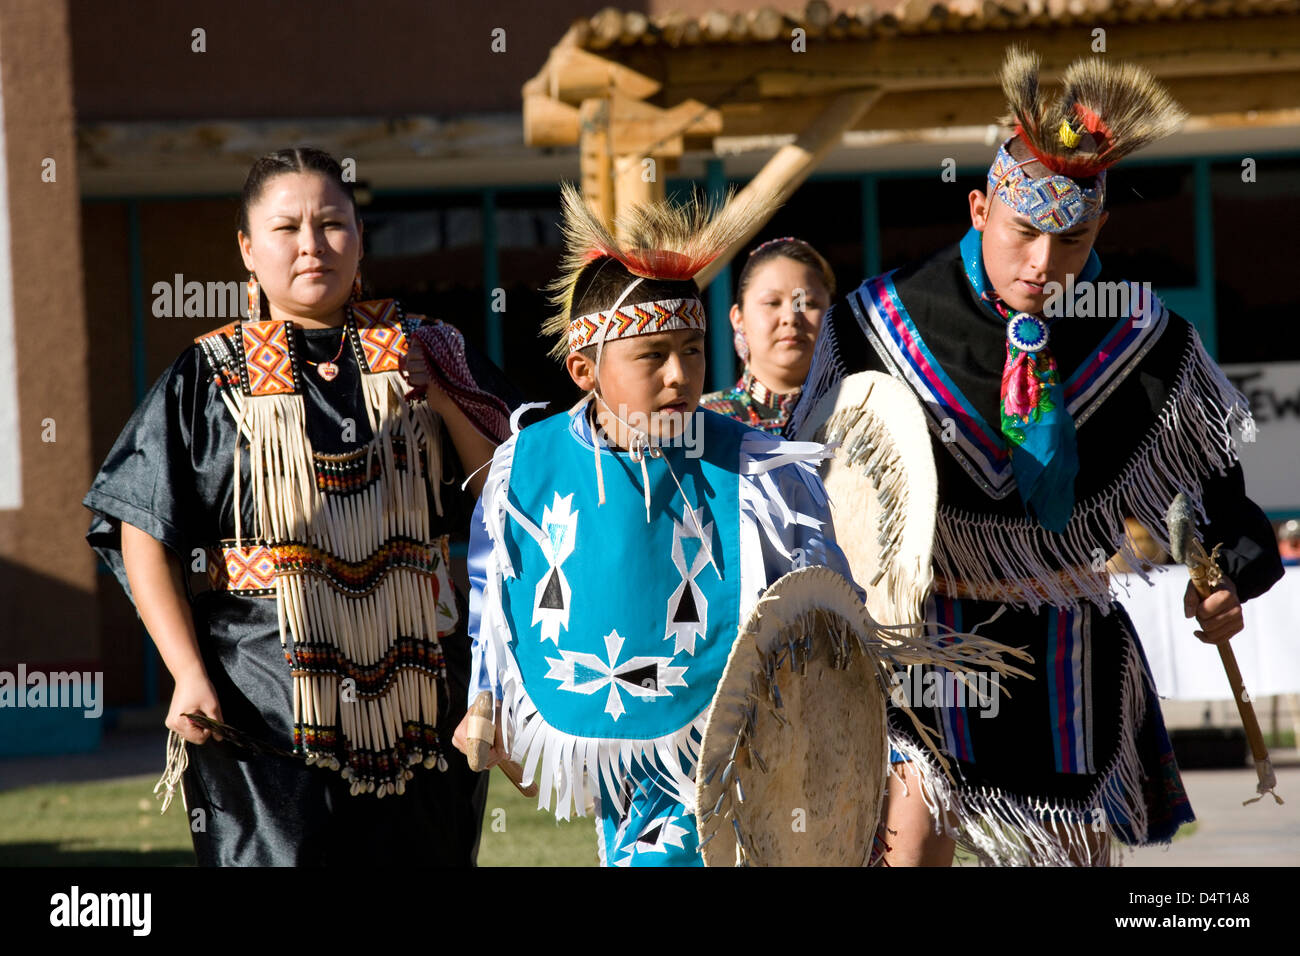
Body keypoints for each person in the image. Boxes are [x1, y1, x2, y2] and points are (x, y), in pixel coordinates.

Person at [788, 49, 1284, 866]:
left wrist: (1230, 577)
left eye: (1072, 240)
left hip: (1066, 649)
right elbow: (812, 491)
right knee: (907, 851)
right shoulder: (875, 324)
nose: (1043, 267)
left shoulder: (1145, 341)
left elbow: (1227, 514)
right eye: (1023, 234)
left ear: (1101, 230)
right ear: (981, 207)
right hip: (922, 635)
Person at [84, 147, 514, 866]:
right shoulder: (208, 374)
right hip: (262, 703)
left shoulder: (430, 348)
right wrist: (187, 673)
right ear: (248, 251)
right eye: (287, 229)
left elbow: (505, 493)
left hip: (418, 698)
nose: (313, 244)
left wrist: (438, 393)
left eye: (333, 224)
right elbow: (140, 527)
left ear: (361, 239)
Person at [451, 185, 859, 866]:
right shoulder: (530, 467)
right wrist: (486, 700)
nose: (680, 375)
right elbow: (495, 595)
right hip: (622, 747)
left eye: (693, 351)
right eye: (652, 355)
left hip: (751, 738)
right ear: (585, 370)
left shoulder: (757, 470)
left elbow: (824, 593)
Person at [701, 237, 835, 433]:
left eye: (807, 304)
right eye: (772, 302)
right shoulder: (700, 424)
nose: (791, 317)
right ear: (739, 319)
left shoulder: (861, 417)